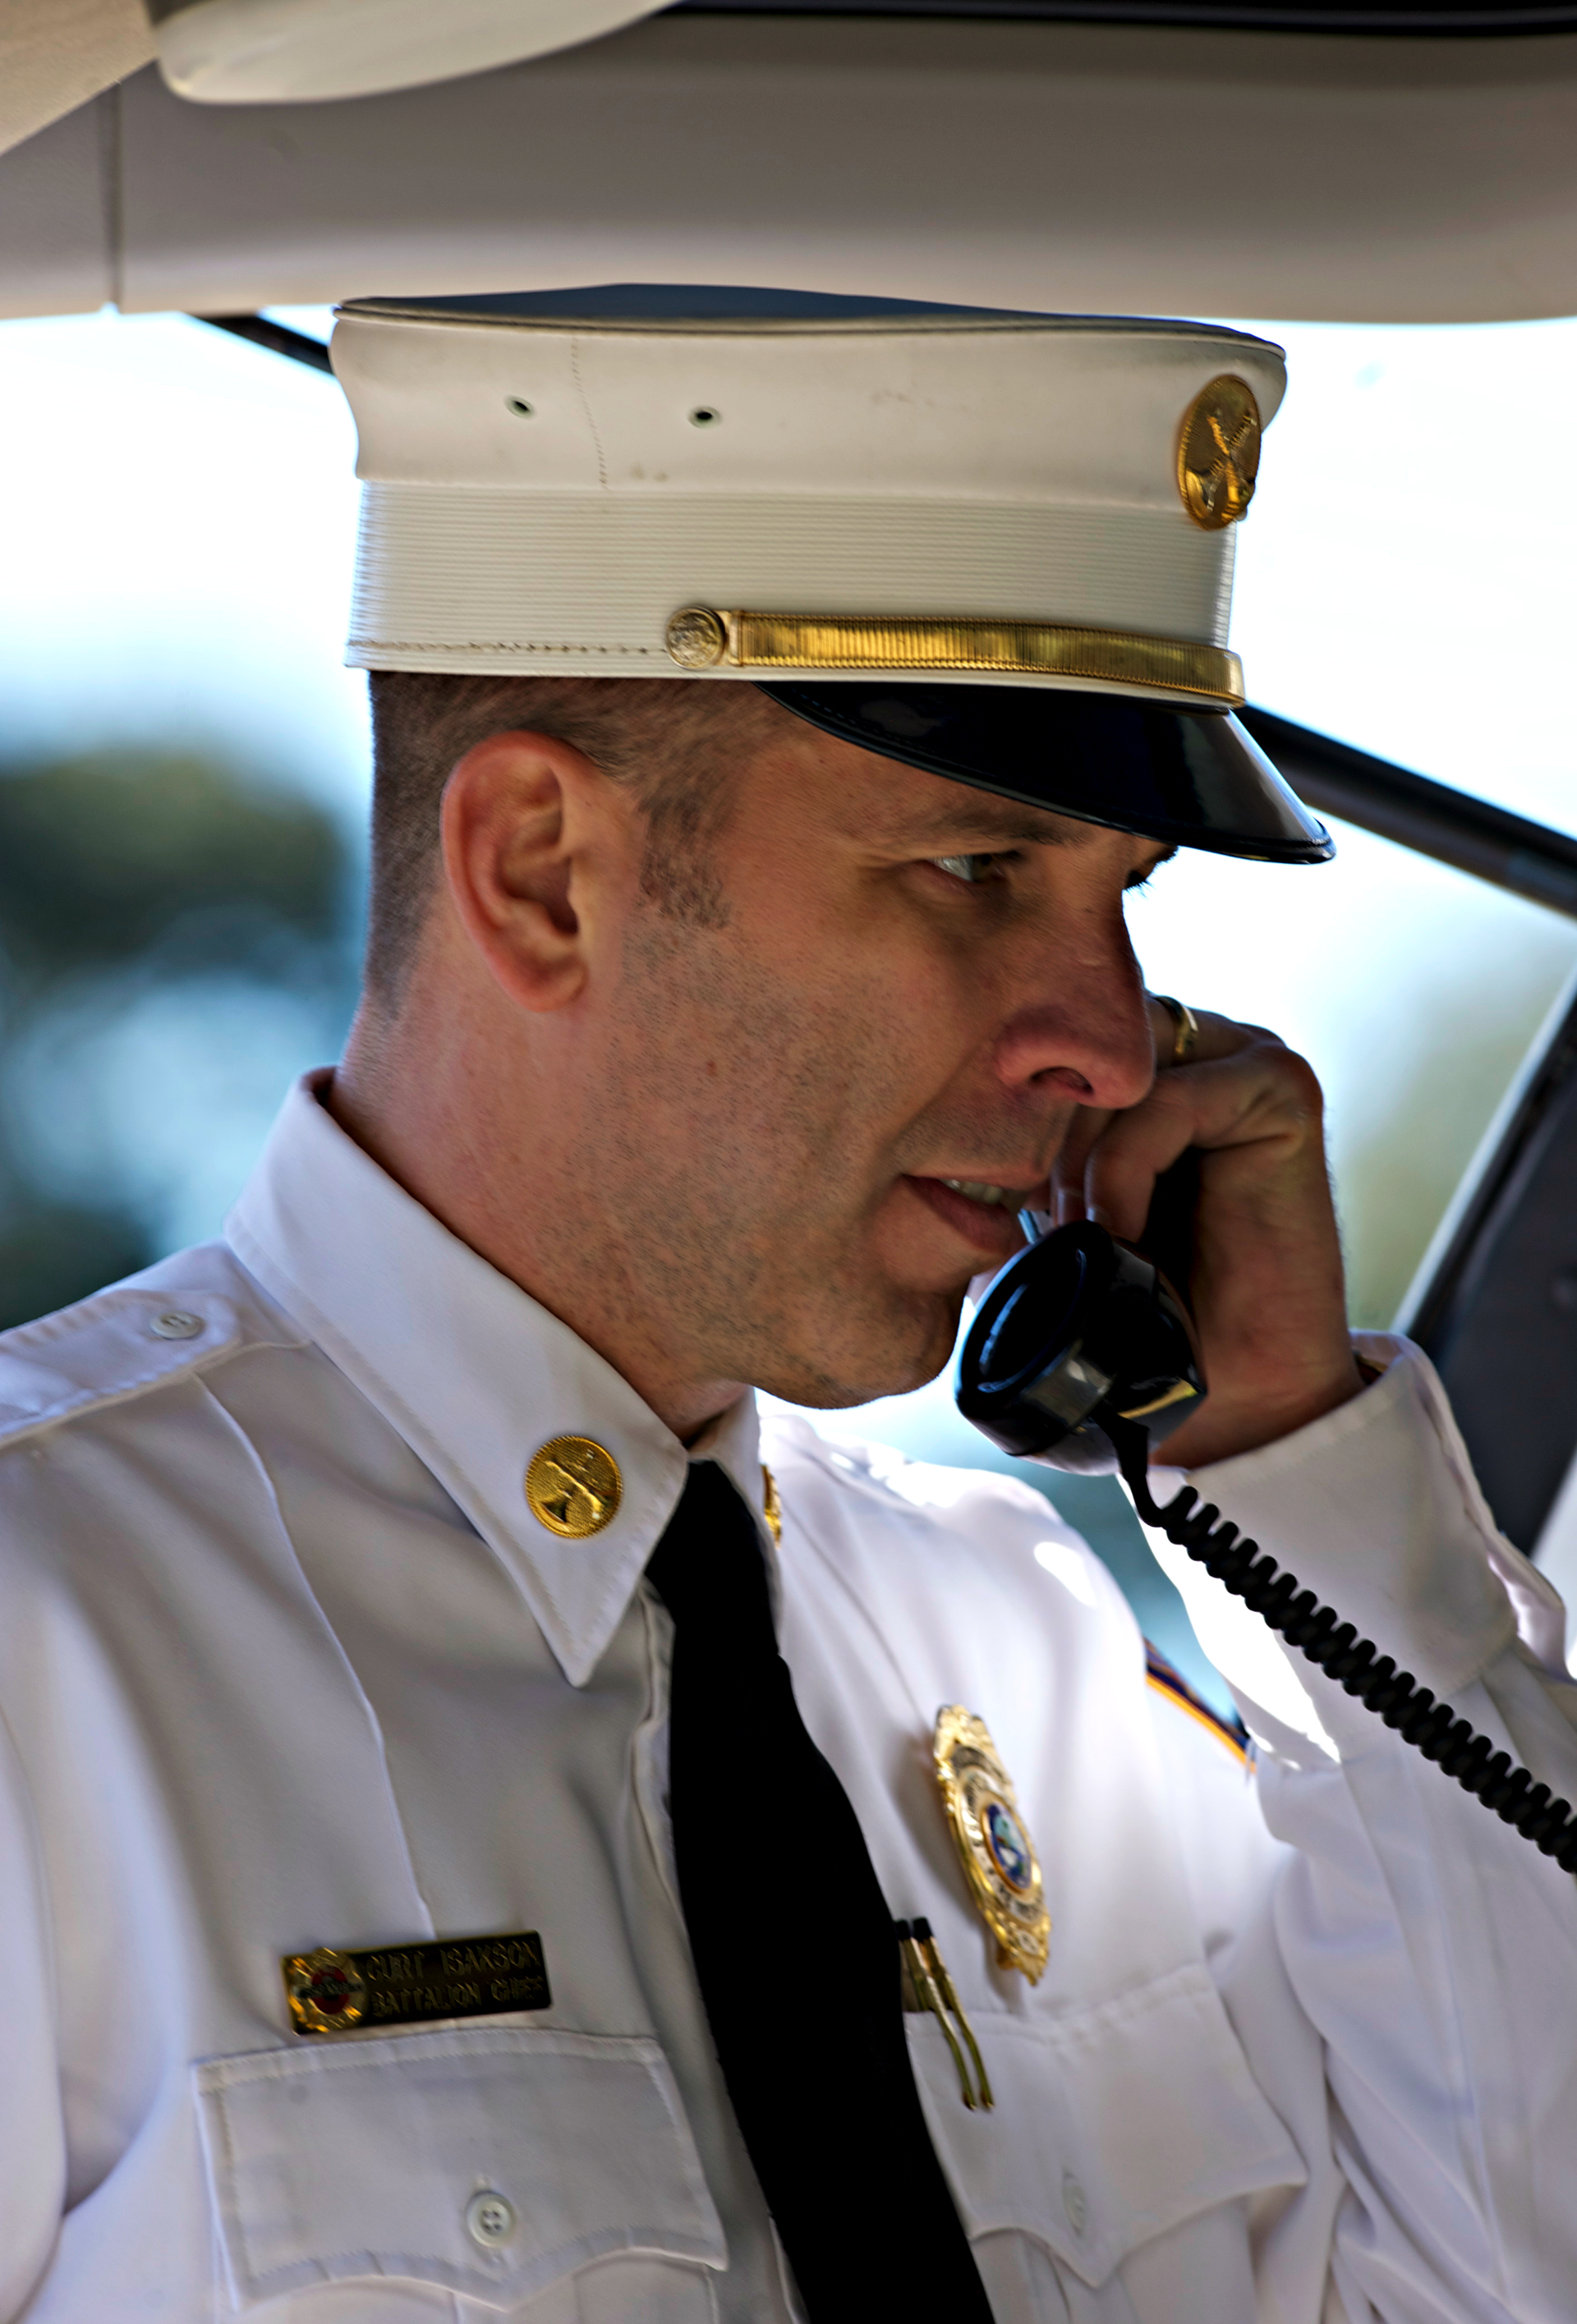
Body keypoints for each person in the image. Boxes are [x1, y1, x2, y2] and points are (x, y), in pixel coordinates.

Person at [0, 286, 1572, 2324]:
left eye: (1129, 905)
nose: (1110, 1040)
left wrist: (1297, 1461)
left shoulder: (1047, 1656)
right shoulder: (48, 1630)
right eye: (977, 868)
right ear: (544, 872)